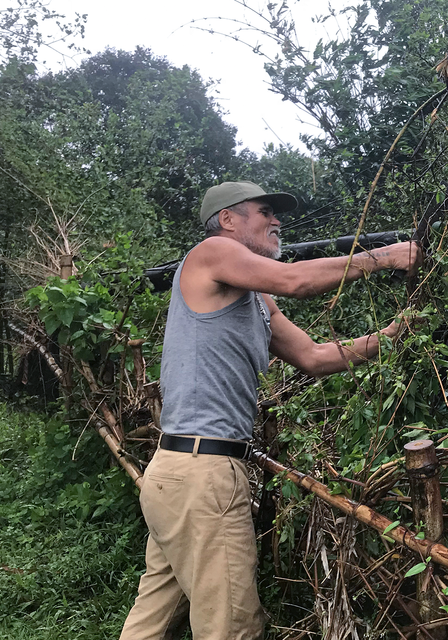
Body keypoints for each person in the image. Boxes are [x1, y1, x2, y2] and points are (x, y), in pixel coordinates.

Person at [120, 181, 420, 640]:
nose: (277, 221)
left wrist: (400, 331)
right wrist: (384, 257)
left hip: (182, 475)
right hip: (204, 473)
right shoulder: (211, 253)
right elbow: (297, 281)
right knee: (232, 626)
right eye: (265, 212)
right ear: (227, 219)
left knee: (154, 619)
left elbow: (317, 357)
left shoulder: (256, 300)